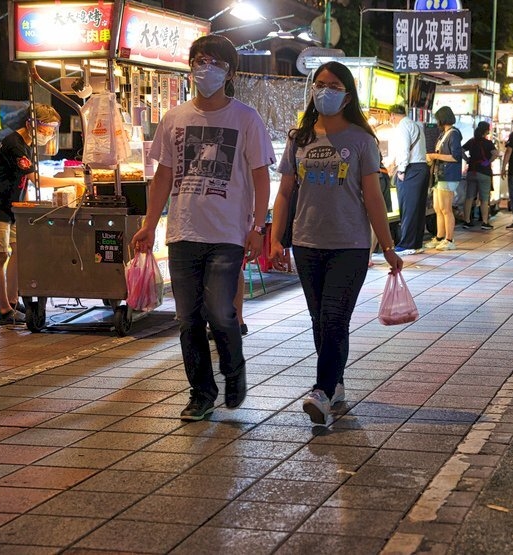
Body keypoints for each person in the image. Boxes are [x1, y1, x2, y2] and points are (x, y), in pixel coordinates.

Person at [131, 35, 275, 422]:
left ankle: (233, 370)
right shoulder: (175, 118)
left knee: (221, 312)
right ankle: (201, 393)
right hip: (183, 233)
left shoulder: (246, 118)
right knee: (188, 319)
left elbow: (261, 176)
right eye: (198, 59)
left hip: (228, 233)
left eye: (213, 61)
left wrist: (259, 225)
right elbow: (163, 175)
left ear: (229, 71)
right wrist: (149, 224)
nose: (203, 67)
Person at [269, 61, 403, 426]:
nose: (325, 91)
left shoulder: (362, 141)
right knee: (321, 320)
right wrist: (276, 238)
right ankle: (336, 383)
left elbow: (373, 197)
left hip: (350, 244)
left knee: (333, 316)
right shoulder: (299, 139)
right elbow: (284, 193)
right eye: (320, 84)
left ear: (346, 96)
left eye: (333, 85)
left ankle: (322, 390)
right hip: (307, 242)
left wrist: (388, 246)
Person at [0, 103, 84, 326]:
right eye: (48, 129)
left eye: (53, 129)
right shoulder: (15, 144)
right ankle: (5, 311)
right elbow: (37, 179)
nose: (50, 134)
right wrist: (74, 180)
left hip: (14, 204)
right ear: (32, 124)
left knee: (19, 252)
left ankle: (14, 301)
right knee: (0, 256)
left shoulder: (27, 144)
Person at [389, 104, 429, 255]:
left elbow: (404, 149)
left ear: (392, 115)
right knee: (418, 209)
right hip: (422, 168)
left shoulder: (402, 126)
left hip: (411, 169)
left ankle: (406, 244)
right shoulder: (416, 125)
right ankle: (416, 243)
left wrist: (401, 169)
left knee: (408, 208)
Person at [424, 106, 463, 250]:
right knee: (438, 208)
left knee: (446, 209)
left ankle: (449, 239)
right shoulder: (444, 134)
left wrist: (435, 156)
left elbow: (455, 156)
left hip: (448, 175)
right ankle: (440, 237)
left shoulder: (453, 134)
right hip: (439, 175)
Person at [462, 121, 498, 230]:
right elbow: (495, 154)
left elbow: (461, 150)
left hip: (471, 171)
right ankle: (485, 222)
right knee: (484, 199)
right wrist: (488, 161)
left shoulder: (472, 141)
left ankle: (467, 221)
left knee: (469, 197)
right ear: (486, 131)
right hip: (484, 173)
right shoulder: (488, 143)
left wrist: (467, 159)